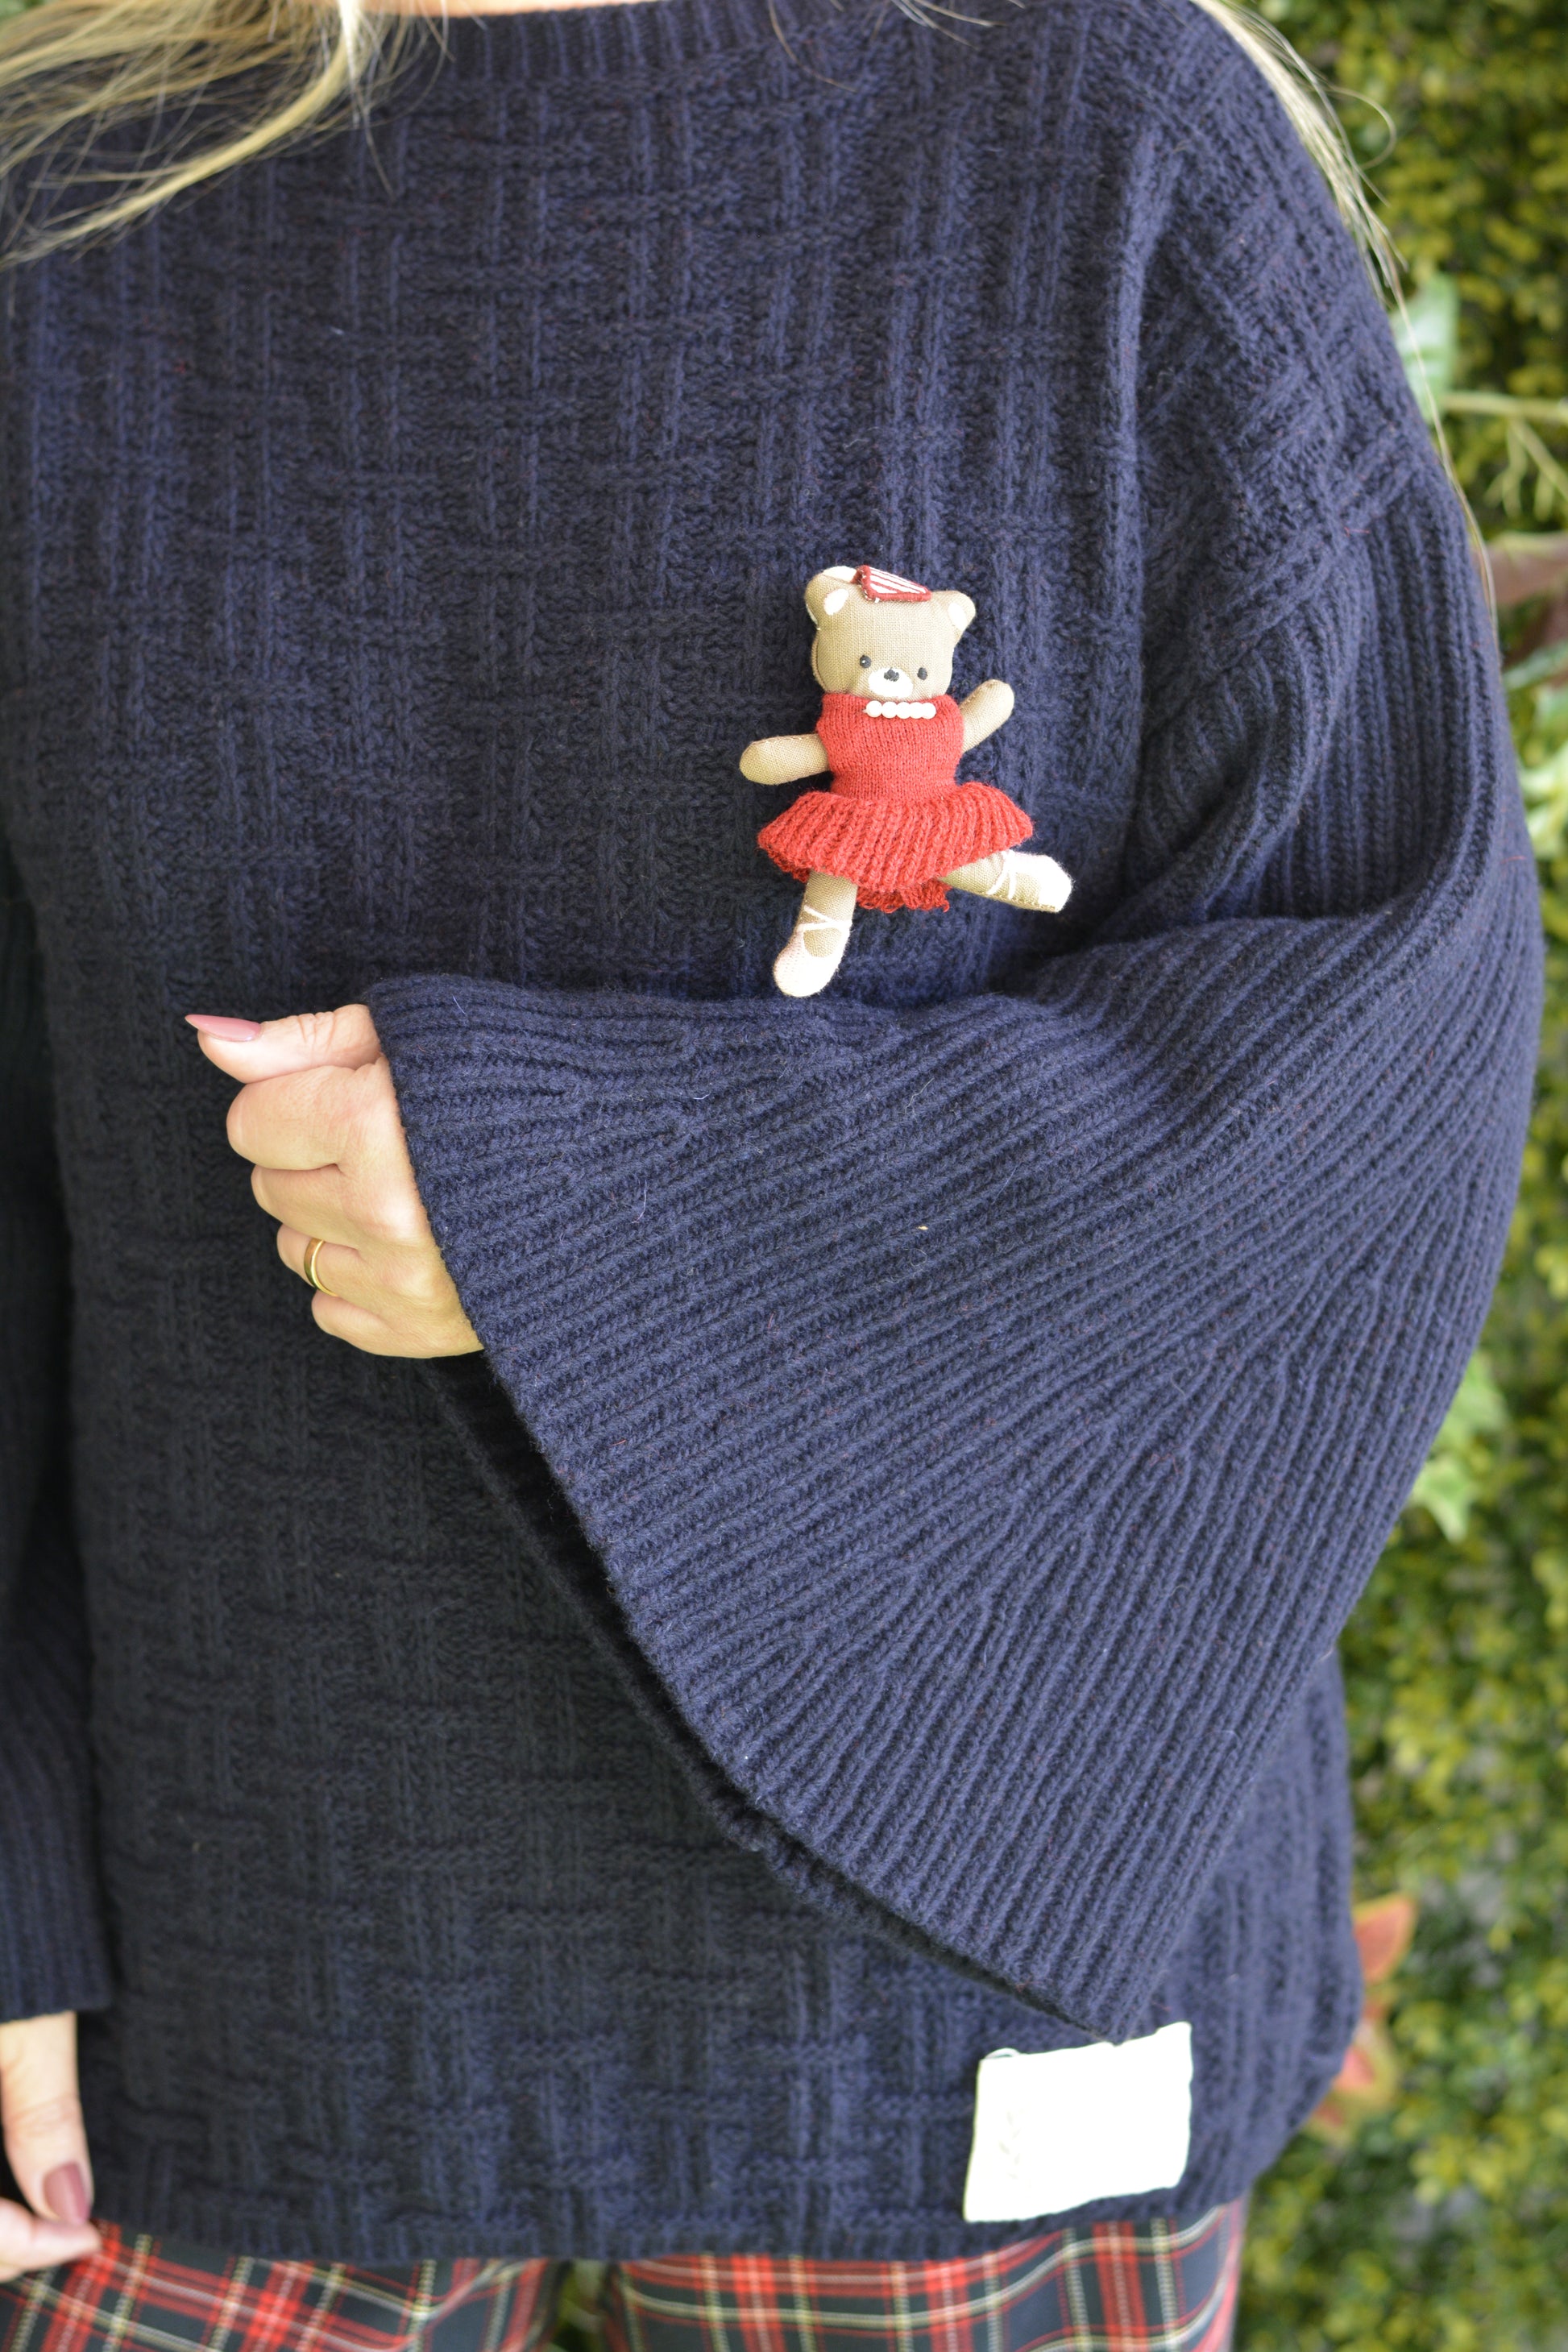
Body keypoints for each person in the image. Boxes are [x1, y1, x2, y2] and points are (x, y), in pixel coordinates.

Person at [0, 0, 1542, 2345]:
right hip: (217, 1959)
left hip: (968, 1982)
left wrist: (594, 1223)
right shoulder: (62, 192)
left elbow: (1371, 1051)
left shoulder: (1117, 138)